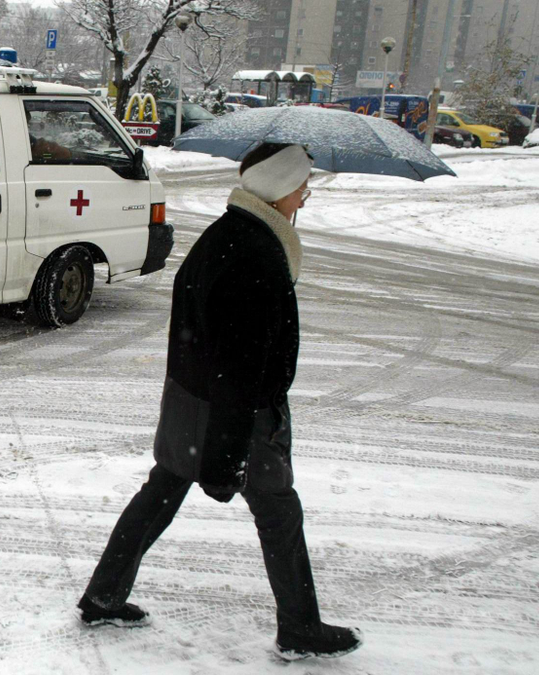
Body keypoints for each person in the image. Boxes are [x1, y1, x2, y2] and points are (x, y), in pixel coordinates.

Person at [76, 143, 362, 661]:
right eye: (302, 184)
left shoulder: (227, 233)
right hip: (239, 418)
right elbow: (241, 365)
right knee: (279, 513)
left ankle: (103, 594)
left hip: (193, 403)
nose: (306, 193)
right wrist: (227, 456)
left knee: (160, 495)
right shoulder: (254, 254)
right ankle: (299, 628)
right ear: (278, 190)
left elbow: (199, 340)